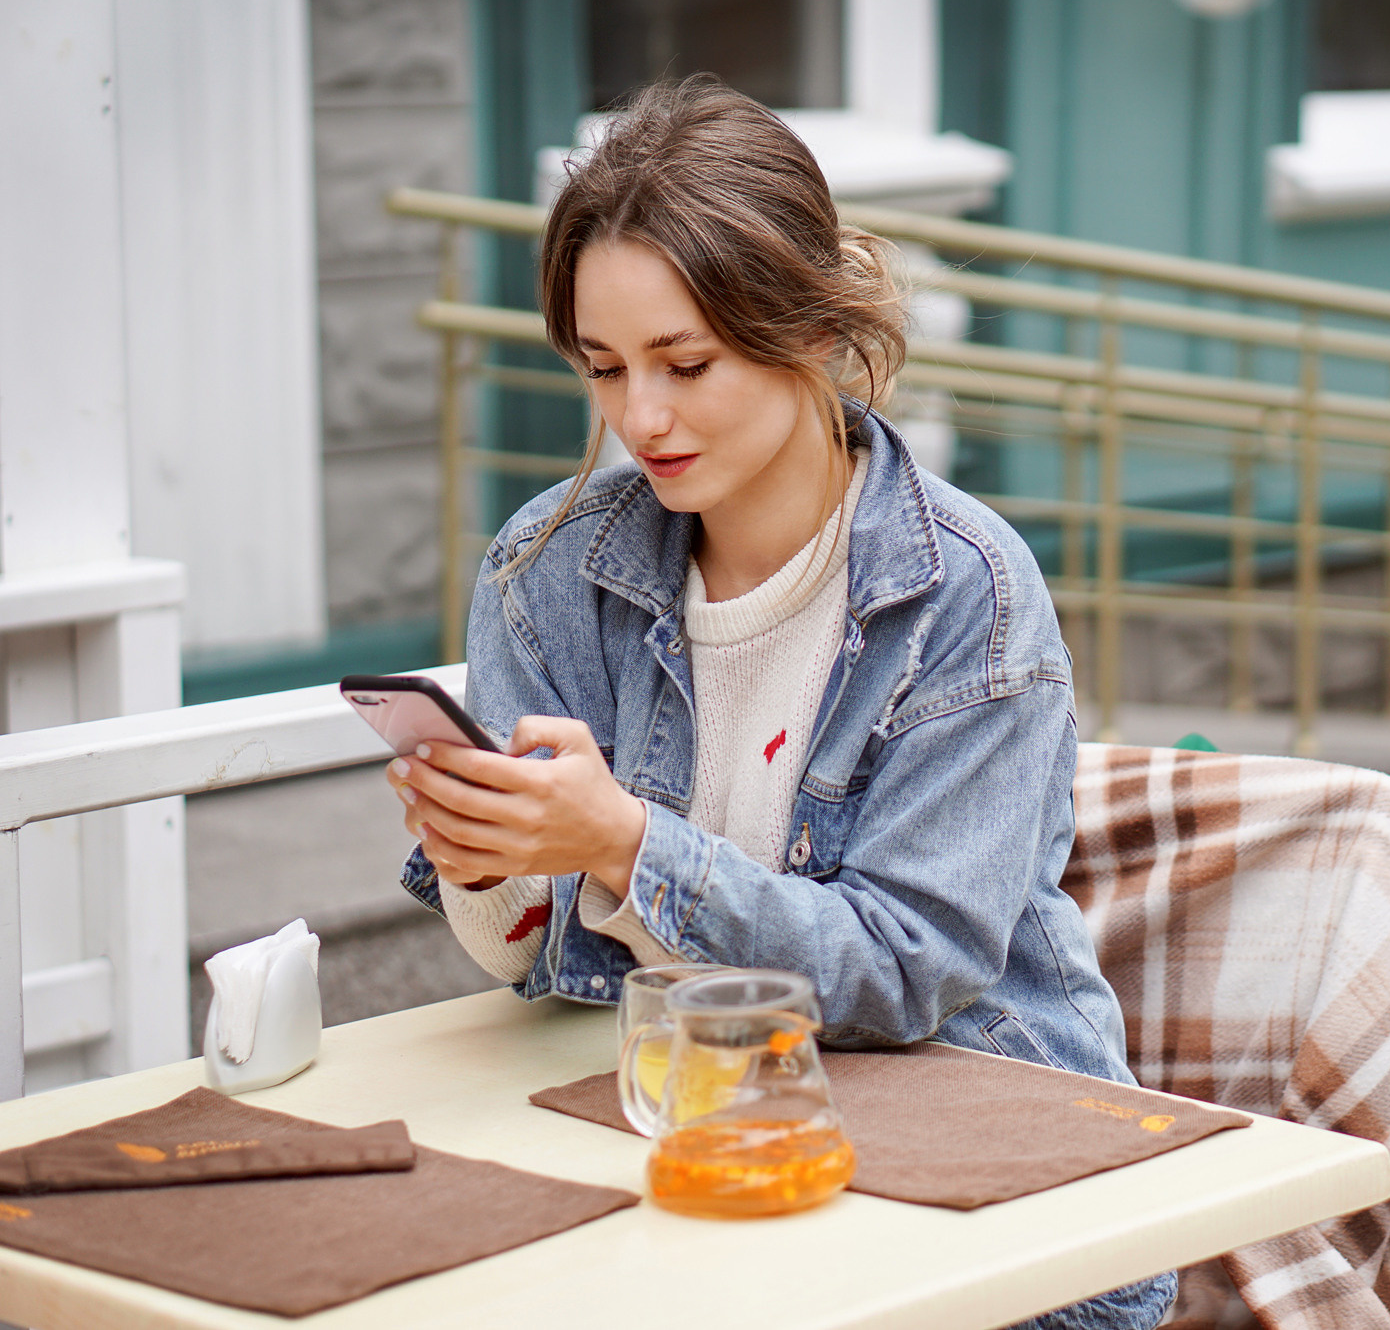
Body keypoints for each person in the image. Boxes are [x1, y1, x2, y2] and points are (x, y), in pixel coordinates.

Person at [384, 75, 1176, 1329]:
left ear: (810, 326)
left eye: (684, 362)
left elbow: (906, 969)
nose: (640, 417)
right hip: (668, 1154)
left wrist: (623, 843)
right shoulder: (547, 572)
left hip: (976, 1187)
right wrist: (487, 854)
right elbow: (542, 966)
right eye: (603, 369)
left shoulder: (961, 591)